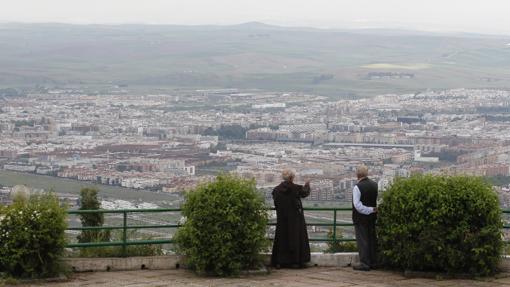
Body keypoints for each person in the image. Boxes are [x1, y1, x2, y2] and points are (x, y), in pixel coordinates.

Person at [271, 169, 311, 268]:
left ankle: (280, 261)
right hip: (295, 219)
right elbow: (305, 193)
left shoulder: (276, 190)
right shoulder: (296, 188)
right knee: (295, 239)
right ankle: (295, 262)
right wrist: (307, 184)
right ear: (292, 177)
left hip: (282, 218)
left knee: (282, 239)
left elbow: (276, 203)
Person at [352, 165, 378, 271]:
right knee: (372, 239)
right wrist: (373, 210)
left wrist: (369, 210)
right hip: (372, 217)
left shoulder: (357, 187)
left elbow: (357, 205)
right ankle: (374, 262)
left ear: (357, 174)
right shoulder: (375, 185)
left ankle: (364, 263)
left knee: (363, 241)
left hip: (361, 218)